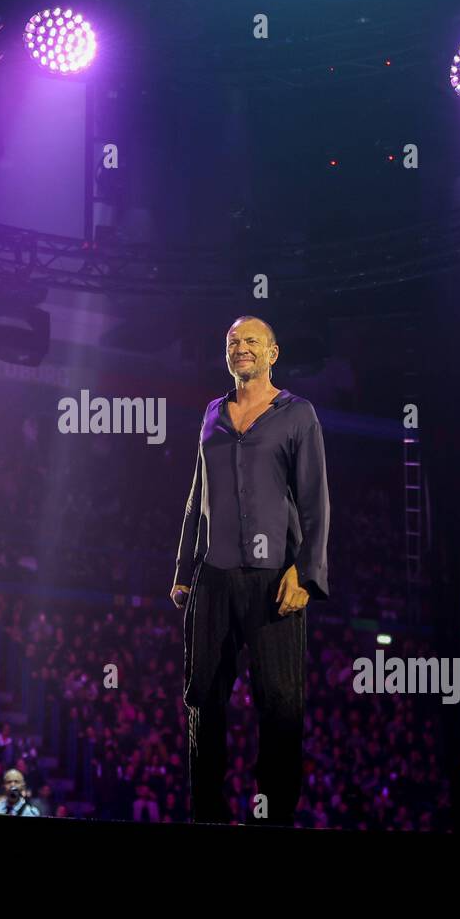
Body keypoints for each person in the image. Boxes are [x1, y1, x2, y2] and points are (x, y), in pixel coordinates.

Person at [169, 316, 329, 827]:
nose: (241, 348)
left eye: (251, 341)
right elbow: (198, 495)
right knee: (202, 697)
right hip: (212, 576)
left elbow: (314, 502)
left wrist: (304, 572)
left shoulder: (298, 414)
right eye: (233, 342)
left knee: (280, 701)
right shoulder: (212, 414)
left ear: (273, 353)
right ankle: (207, 817)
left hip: (272, 579)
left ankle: (274, 817)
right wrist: (182, 569)